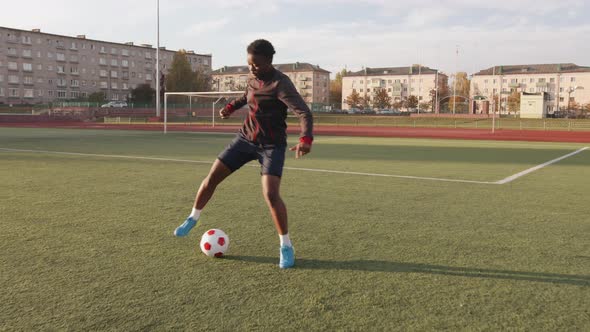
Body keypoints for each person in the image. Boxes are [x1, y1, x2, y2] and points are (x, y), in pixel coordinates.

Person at [173, 39, 314, 269]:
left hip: (271, 146)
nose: (252, 69)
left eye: (256, 64)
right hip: (245, 139)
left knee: (271, 195)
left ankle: (286, 245)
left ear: (269, 62)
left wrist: (305, 139)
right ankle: (193, 217)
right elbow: (245, 96)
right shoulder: (251, 79)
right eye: (249, 64)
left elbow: (304, 113)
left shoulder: (281, 83)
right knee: (211, 179)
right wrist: (230, 108)